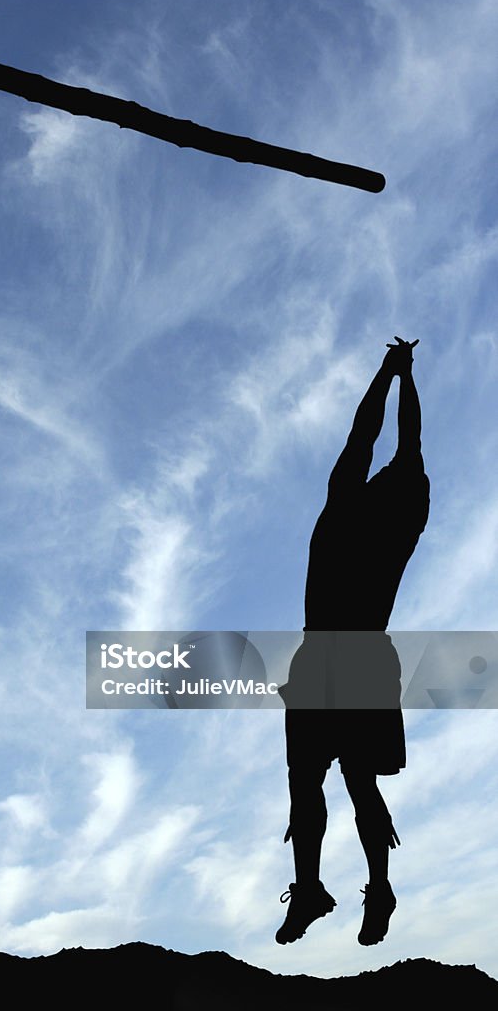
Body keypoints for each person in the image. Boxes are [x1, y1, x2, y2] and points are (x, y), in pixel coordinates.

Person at [276, 338, 430, 946]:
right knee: (310, 780)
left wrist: (392, 373)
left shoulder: (357, 507)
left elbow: (376, 436)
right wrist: (401, 375)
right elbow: (394, 441)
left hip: (350, 656)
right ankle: (317, 889)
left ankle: (376, 888)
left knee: (350, 780)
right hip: (329, 656)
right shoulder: (388, 514)